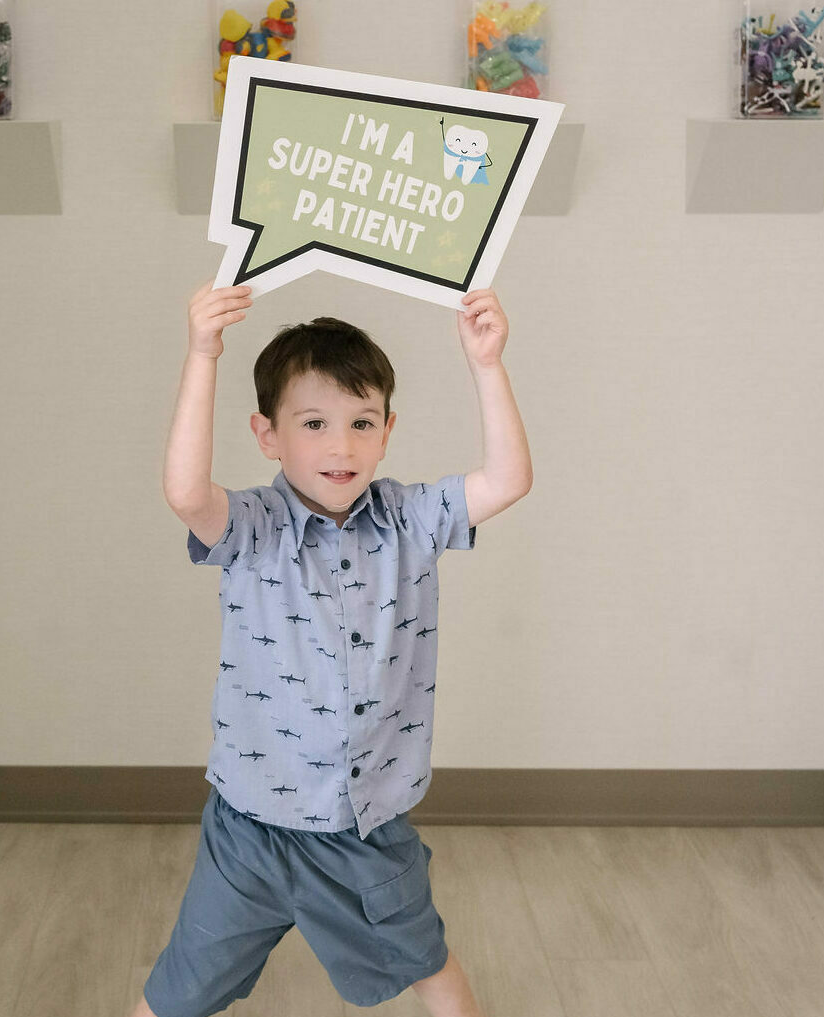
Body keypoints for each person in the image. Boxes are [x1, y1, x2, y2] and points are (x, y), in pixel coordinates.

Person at [131, 279, 532, 1017]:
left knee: (430, 963)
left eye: (361, 421)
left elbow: (508, 478)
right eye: (312, 423)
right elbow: (187, 493)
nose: (340, 445)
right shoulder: (253, 527)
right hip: (248, 828)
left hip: (363, 828)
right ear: (267, 435)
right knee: (176, 992)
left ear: (386, 430)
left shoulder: (411, 519)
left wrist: (486, 364)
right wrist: (201, 352)